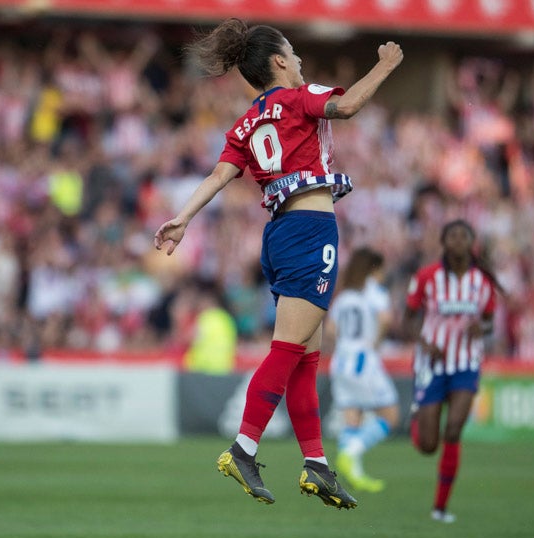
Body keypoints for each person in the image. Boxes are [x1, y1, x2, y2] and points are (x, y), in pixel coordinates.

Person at [154, 19, 404, 509]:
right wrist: (385, 66)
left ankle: (316, 465)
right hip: (311, 232)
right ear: (279, 61)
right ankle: (244, 448)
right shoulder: (298, 97)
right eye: (294, 52)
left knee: (307, 357)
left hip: (279, 234)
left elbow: (219, 175)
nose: (301, 60)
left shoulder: (247, 122)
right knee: (288, 351)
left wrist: (182, 218)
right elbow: (348, 105)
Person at [404, 220, 499, 523]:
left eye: (464, 236)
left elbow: (489, 321)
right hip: (432, 364)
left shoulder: (482, 282)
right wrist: (424, 342)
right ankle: (418, 417)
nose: (458, 241)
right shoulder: (427, 277)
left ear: (472, 243)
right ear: (444, 242)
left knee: (454, 429)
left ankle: (440, 508)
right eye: (453, 236)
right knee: (428, 446)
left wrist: (480, 327)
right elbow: (408, 318)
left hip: (466, 364)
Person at [326, 247, 400, 493]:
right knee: (390, 415)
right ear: (373, 269)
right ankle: (351, 452)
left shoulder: (345, 296)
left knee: (352, 417)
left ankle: (353, 474)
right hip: (363, 361)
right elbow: (386, 318)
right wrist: (376, 342)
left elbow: (330, 331)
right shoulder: (375, 291)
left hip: (341, 361)